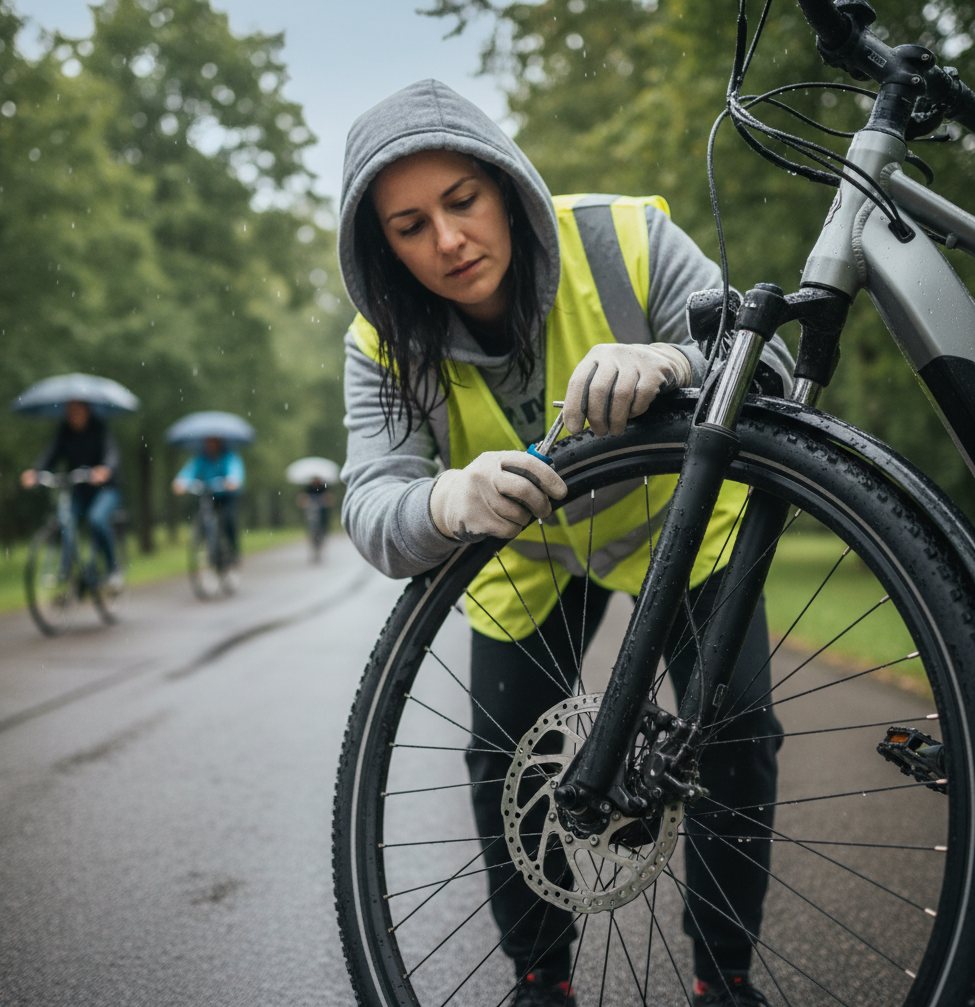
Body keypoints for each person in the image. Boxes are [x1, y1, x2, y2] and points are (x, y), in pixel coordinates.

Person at [338, 79, 793, 1007]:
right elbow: (371, 507)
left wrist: (677, 362)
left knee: (737, 732)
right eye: (410, 226)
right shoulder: (381, 341)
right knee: (505, 765)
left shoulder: (628, 241)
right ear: (381, 246)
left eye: (462, 202)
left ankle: (723, 978)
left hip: (676, 528)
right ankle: (540, 979)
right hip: (528, 556)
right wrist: (445, 498)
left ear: (505, 186)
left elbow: (776, 372)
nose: (449, 242)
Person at [21, 399, 124, 589]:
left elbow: (112, 454)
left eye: (76, 410)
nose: (72, 415)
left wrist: (105, 469)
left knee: (97, 519)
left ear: (87, 410)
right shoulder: (64, 431)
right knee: (65, 521)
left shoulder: (100, 428)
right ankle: (65, 572)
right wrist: (35, 472)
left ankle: (113, 569)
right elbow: (50, 454)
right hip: (78, 488)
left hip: (105, 489)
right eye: (69, 411)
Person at [171, 436, 245, 563]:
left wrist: (233, 480)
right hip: (208, 494)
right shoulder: (200, 458)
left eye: (214, 441)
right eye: (208, 442)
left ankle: (233, 551)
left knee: (228, 520)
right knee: (205, 515)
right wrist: (180, 482)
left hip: (227, 495)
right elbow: (189, 472)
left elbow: (235, 472)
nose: (211, 445)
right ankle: (209, 546)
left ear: (220, 442)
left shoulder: (230, 457)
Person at [296, 476, 335, 562]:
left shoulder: (324, 487)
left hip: (322, 514)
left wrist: (325, 500)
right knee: (312, 531)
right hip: (312, 513)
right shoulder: (308, 488)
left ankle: (320, 548)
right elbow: (302, 499)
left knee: (322, 532)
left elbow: (330, 499)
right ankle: (314, 549)